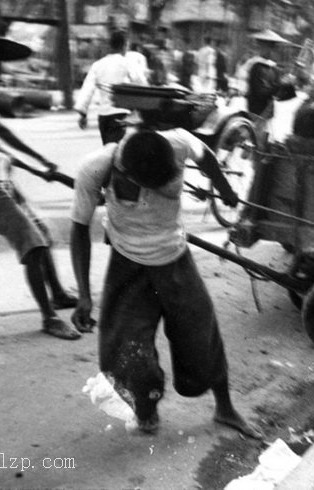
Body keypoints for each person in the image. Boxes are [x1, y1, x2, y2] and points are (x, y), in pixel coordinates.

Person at [69, 126, 262, 437]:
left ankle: (225, 408)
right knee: (130, 352)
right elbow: (78, 231)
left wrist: (223, 185)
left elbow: (207, 156)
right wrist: (83, 295)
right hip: (127, 266)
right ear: (126, 173)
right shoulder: (96, 168)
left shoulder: (177, 142)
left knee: (202, 337)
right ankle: (146, 410)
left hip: (175, 259)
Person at [0, 24, 80, 340]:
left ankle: (60, 295)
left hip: (1, 178)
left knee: (41, 231)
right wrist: (45, 161)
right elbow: (4, 132)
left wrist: (44, 173)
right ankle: (49, 317)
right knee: (33, 244)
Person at [75, 30, 147, 145]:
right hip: (121, 114)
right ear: (125, 45)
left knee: (107, 149)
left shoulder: (98, 65)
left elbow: (87, 89)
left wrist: (83, 113)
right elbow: (142, 84)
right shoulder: (128, 63)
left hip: (103, 117)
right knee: (116, 152)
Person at [241, 33, 282, 116]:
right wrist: (279, 86)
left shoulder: (274, 68)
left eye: (272, 47)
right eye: (267, 47)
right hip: (256, 110)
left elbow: (280, 94)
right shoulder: (256, 67)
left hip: (269, 112)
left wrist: (287, 85)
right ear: (261, 47)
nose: (270, 51)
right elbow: (261, 92)